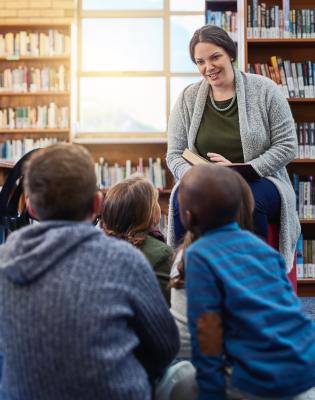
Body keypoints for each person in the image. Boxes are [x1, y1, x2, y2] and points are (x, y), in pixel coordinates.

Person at [0, 143, 180, 400]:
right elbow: (165, 348)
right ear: (98, 203)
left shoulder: (4, 263)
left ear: (30, 208)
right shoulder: (125, 260)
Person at [166, 24, 300, 272]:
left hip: (262, 179)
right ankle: (184, 277)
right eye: (200, 61)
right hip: (205, 181)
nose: (209, 67)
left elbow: (288, 145)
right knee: (180, 200)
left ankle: (252, 278)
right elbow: (174, 154)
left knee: (248, 201)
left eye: (215, 57)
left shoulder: (265, 90)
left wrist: (243, 170)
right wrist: (198, 176)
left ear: (230, 53)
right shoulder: (188, 97)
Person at [179, 163, 315, 400]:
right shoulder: (265, 250)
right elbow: (291, 306)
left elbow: (207, 329)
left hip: (258, 381)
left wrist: (210, 393)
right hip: (305, 366)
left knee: (174, 381)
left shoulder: (199, 255)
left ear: (188, 217)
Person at [169, 173, 255, 360]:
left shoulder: (188, 256)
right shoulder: (263, 257)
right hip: (262, 365)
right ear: (248, 210)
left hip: (194, 360)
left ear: (189, 217)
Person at [102, 176, 173, 303]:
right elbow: (165, 309)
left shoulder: (97, 247)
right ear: (147, 212)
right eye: (155, 200)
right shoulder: (161, 254)